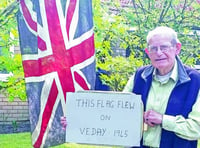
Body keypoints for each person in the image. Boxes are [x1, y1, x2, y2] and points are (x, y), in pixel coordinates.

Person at [123, 26, 200, 148]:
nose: (159, 53)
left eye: (164, 47)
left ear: (177, 48)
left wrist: (163, 120)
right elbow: (121, 113)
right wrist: (137, 116)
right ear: (148, 53)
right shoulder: (139, 77)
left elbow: (196, 129)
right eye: (153, 49)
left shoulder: (195, 82)